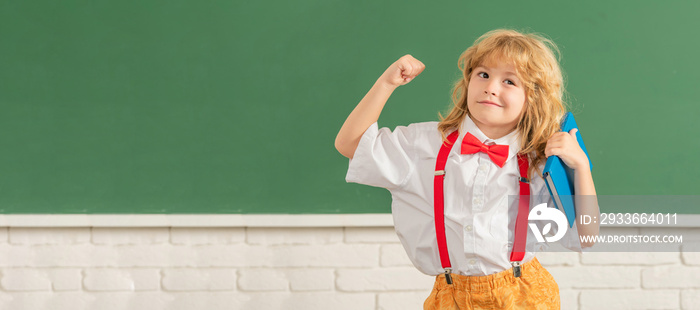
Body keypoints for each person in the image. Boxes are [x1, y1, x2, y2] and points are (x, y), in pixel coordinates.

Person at [335, 29, 600, 309]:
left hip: (524, 296)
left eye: (509, 81)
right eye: (483, 74)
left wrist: (581, 166)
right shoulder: (424, 145)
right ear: (468, 80)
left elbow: (588, 235)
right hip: (450, 296)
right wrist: (386, 83)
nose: (491, 87)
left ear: (532, 97)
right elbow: (350, 144)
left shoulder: (541, 159)